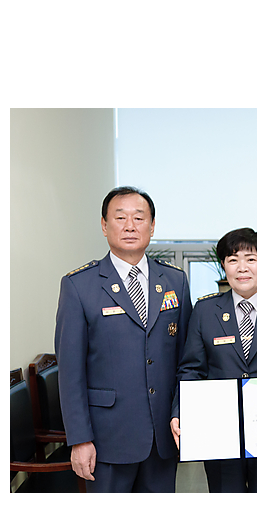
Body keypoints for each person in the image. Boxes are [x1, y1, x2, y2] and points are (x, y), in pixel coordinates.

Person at [55, 186, 193, 492]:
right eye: (120, 218)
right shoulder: (79, 285)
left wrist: (181, 413)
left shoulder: (175, 280)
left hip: (163, 438)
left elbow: (187, 361)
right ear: (104, 226)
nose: (130, 226)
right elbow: (71, 373)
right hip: (107, 440)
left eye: (139, 218)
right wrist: (79, 439)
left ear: (152, 226)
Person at [170, 227, 257, 492]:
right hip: (218, 430)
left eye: (251, 259)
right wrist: (180, 411)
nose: (242, 268)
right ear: (223, 266)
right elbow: (192, 369)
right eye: (233, 259)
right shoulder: (205, 311)